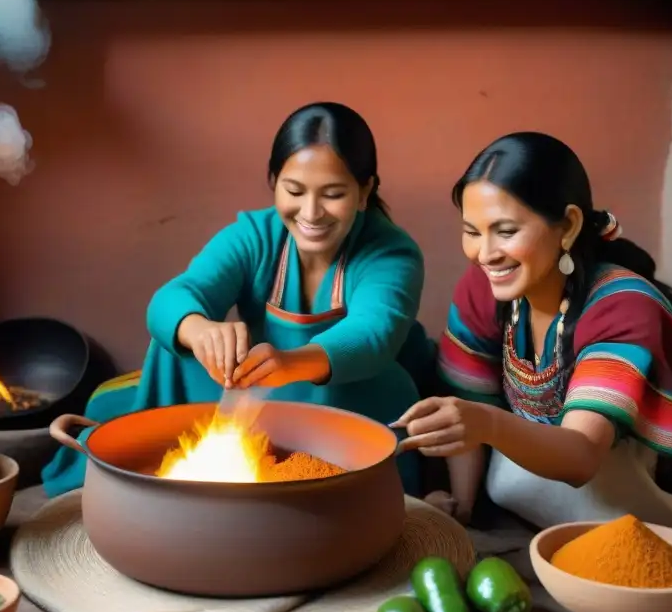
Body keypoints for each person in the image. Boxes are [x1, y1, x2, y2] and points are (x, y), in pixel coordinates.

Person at [43, 102, 430, 497]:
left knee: (375, 386)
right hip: (252, 388)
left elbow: (374, 335)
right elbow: (175, 296)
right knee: (167, 351)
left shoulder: (390, 252)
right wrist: (199, 330)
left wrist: (290, 364)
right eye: (294, 191)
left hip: (343, 395)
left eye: (333, 194)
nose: (311, 213)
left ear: (365, 191)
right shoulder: (254, 235)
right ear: (274, 182)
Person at [394, 131, 672, 545]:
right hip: (534, 497)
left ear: (567, 226)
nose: (485, 253)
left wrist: (486, 423)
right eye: (472, 232)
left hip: (637, 502)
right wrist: (463, 509)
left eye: (505, 231)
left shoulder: (624, 306)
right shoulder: (482, 288)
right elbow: (469, 402)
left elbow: (581, 457)